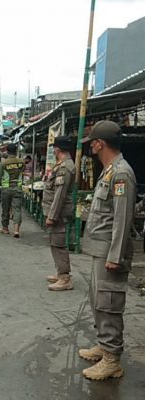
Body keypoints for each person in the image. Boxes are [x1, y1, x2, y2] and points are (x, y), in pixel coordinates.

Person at [79, 120, 136, 380]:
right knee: (99, 302)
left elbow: (122, 219)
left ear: (100, 143)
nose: (90, 147)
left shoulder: (121, 173)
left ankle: (112, 359)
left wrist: (115, 255)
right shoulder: (110, 171)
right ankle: (104, 346)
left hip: (110, 252)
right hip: (101, 249)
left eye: (92, 142)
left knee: (109, 303)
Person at [42, 136, 76, 291]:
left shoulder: (65, 167)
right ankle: (60, 272)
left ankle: (65, 277)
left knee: (58, 243)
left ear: (58, 149)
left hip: (58, 213)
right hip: (55, 211)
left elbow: (60, 195)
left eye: (54, 148)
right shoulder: (61, 165)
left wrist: (52, 216)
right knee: (54, 242)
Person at [0, 143, 24, 238]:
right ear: (16, 151)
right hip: (17, 188)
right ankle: (16, 230)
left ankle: (5, 228)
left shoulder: (3, 163)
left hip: (6, 189)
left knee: (5, 209)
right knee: (17, 209)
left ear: (7, 151)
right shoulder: (21, 162)